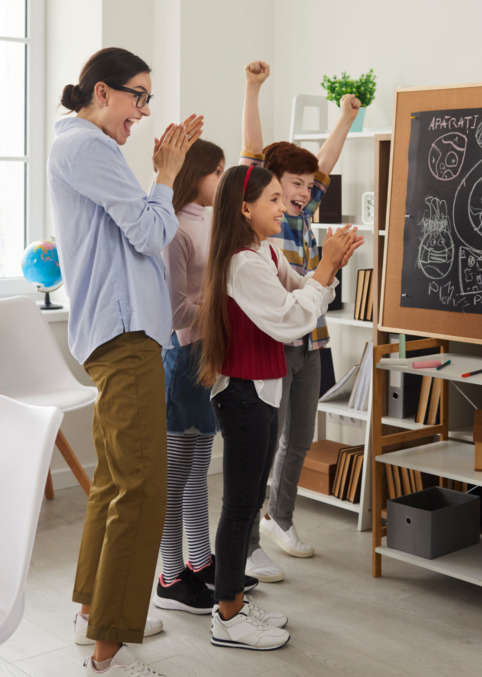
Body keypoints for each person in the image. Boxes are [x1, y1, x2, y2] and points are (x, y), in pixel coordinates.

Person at [48, 47, 203, 675]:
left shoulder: (83, 147)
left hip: (118, 333)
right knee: (142, 486)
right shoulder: (88, 147)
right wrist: (166, 175)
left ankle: (94, 615)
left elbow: (135, 228)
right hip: (124, 336)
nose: (143, 111)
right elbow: (149, 233)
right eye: (138, 96)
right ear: (102, 92)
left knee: (114, 482)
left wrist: (160, 182)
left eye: (148, 99)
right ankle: (112, 649)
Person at [197, 164, 362, 651]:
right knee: (241, 507)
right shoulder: (242, 263)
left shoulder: (264, 251)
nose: (284, 206)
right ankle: (226, 615)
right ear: (245, 208)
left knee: (249, 507)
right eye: (272, 199)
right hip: (243, 394)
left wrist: (325, 270)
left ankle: (234, 600)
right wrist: (326, 271)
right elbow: (291, 320)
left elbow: (300, 290)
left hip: (264, 390)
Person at [238, 60, 362, 581]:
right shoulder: (264, 217)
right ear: (271, 185)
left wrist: (347, 116)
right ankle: (244, 544)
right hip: (276, 340)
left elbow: (323, 163)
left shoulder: (307, 215)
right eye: (295, 184)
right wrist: (253, 89)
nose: (305, 191)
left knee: (300, 438)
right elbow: (252, 153)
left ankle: (279, 518)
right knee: (266, 443)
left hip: (313, 339)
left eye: (310, 186)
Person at [152, 139, 258, 616]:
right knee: (178, 477)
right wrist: (223, 307)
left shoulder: (211, 220)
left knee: (199, 472)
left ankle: (200, 563)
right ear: (195, 174)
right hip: (185, 355)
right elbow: (175, 310)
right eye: (217, 171)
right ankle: (170, 577)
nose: (223, 179)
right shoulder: (174, 228)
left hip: (211, 353)